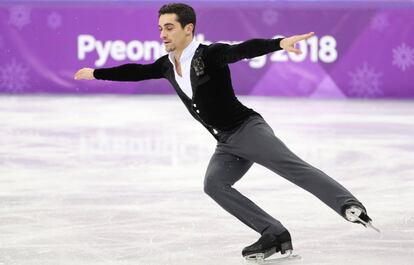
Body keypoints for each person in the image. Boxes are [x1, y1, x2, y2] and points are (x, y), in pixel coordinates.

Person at [74, 3, 377, 260]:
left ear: (188, 29)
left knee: (292, 167)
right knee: (214, 184)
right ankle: (273, 233)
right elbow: (135, 72)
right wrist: (96, 73)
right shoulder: (168, 65)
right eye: (160, 29)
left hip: (248, 129)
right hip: (226, 142)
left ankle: (348, 204)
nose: (163, 34)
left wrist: (278, 43)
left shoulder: (210, 54)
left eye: (169, 28)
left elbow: (242, 50)